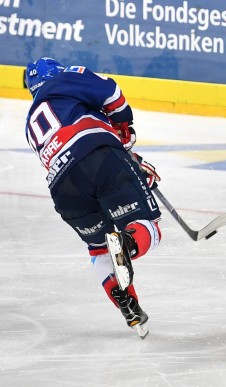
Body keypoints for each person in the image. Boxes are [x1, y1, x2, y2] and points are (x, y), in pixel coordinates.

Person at [24, 57, 162, 337]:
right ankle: (127, 243)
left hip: (63, 189)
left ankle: (130, 308)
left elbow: (71, 145)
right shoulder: (64, 79)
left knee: (100, 250)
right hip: (99, 158)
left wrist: (127, 160)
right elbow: (111, 93)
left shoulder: (31, 122)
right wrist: (124, 129)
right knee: (148, 227)